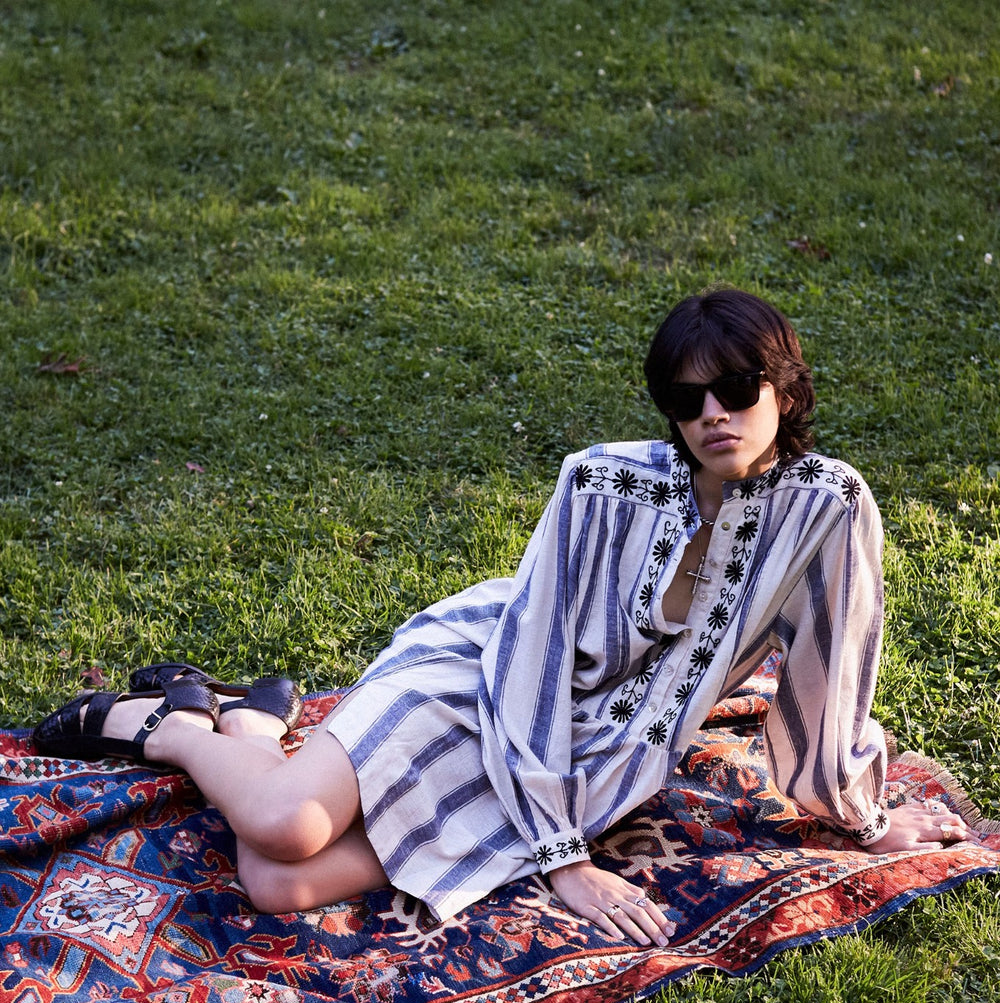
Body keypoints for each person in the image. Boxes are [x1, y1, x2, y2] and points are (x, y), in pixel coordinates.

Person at [34, 287, 971, 948]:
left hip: (604, 744)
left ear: (786, 392)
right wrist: (564, 858)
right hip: (482, 675)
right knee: (282, 825)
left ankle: (247, 720)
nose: (712, 415)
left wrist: (856, 819)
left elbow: (831, 668)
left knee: (279, 884)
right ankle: (169, 726)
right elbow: (531, 654)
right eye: (687, 400)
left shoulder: (830, 505)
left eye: (736, 391)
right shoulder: (600, 481)